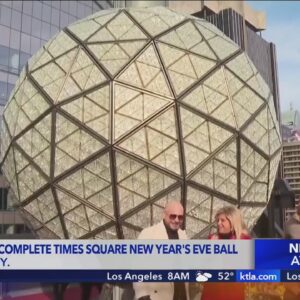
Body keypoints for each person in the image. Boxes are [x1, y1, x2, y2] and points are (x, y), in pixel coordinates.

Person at [133, 201, 191, 300]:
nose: (177, 220)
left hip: (181, 295)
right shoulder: (148, 234)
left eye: (180, 217)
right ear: (164, 214)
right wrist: (142, 294)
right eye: (173, 216)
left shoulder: (183, 236)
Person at [201, 206, 251, 300]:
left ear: (232, 222)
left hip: (233, 295)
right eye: (218, 220)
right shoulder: (212, 239)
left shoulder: (244, 241)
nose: (219, 223)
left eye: (223, 220)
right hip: (210, 295)